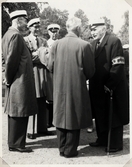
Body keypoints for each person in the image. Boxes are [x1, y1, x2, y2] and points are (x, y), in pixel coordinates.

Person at [48, 16, 95, 158]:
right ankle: (70, 150)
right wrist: (80, 78)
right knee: (74, 116)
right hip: (76, 87)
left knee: (61, 115)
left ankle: (62, 149)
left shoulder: (56, 44)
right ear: (78, 28)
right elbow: (90, 70)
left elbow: (50, 66)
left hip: (59, 87)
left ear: (67, 27)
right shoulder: (85, 45)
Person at [89, 19, 129, 153]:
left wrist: (109, 84)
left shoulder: (114, 41)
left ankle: (115, 144)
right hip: (97, 86)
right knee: (100, 113)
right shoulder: (94, 43)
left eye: (95, 29)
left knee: (114, 115)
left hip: (112, 86)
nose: (92, 32)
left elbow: (118, 65)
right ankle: (102, 139)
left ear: (104, 28)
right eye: (91, 29)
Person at [2, 10, 38, 152]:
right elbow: (11, 61)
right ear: (18, 21)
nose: (26, 25)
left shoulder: (7, 34)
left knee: (15, 112)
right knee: (20, 112)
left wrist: (7, 77)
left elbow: (6, 59)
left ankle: (13, 142)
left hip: (15, 79)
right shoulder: (16, 36)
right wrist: (9, 78)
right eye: (24, 21)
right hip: (19, 80)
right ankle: (17, 144)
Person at [24, 18, 54, 139]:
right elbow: (28, 58)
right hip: (32, 73)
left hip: (43, 73)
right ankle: (31, 130)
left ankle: (42, 128)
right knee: (33, 100)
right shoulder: (25, 40)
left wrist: (38, 54)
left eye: (38, 27)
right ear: (29, 28)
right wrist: (41, 55)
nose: (36, 29)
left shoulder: (43, 41)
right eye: (34, 27)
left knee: (43, 100)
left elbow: (49, 57)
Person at [46, 23, 60, 128]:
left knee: (58, 95)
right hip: (49, 72)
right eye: (52, 31)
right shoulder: (46, 43)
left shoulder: (61, 43)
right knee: (50, 96)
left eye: (56, 31)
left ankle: (57, 119)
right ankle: (48, 120)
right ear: (48, 32)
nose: (54, 34)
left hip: (59, 72)